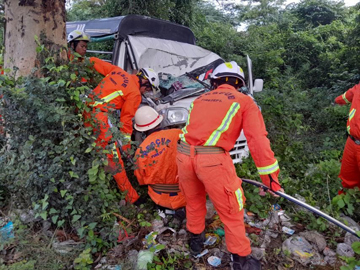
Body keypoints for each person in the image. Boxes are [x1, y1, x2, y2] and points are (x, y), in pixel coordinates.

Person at [176, 61, 283, 270]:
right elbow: (258, 140)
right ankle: (241, 260)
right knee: (232, 210)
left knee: (194, 201)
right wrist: (270, 180)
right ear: (239, 83)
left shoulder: (198, 100)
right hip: (213, 161)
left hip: (183, 155)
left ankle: (196, 244)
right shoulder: (245, 101)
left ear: (214, 81)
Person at [86, 57, 159, 204]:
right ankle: (132, 198)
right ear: (144, 82)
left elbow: (92, 61)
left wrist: (74, 58)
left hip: (85, 109)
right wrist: (126, 149)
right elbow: (125, 122)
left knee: (92, 151)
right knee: (114, 159)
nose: (145, 91)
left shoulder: (118, 71)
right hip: (100, 118)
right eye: (148, 88)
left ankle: (97, 185)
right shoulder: (135, 94)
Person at [133, 106, 186, 210]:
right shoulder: (179, 134)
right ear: (159, 122)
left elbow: (141, 179)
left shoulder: (141, 151)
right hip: (187, 195)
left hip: (159, 198)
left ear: (142, 130)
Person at [334, 83, 360, 192]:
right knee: (346, 178)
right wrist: (336, 101)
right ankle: (345, 204)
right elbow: (346, 96)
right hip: (351, 142)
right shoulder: (358, 88)